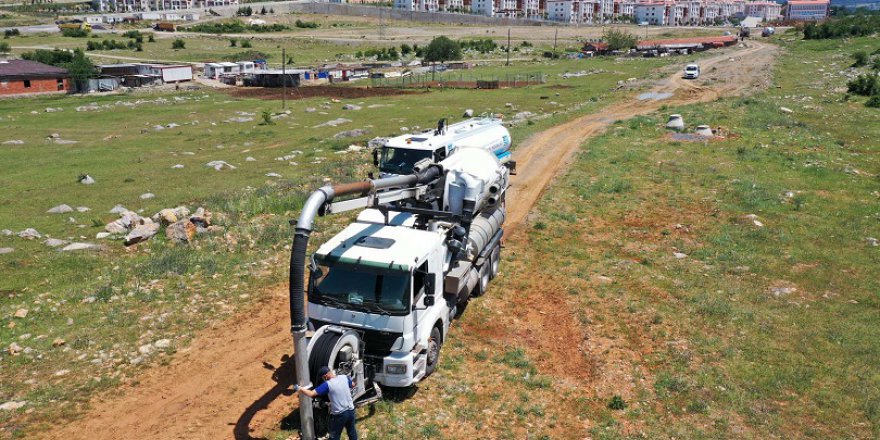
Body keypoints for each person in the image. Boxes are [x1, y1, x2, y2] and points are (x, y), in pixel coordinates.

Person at [295, 366, 358, 440]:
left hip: (340, 414)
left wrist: (300, 388)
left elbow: (311, 394)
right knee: (352, 432)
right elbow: (353, 384)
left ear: (325, 376)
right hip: (351, 410)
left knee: (334, 436)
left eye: (322, 378)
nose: (323, 380)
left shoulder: (327, 384)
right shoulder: (344, 377)